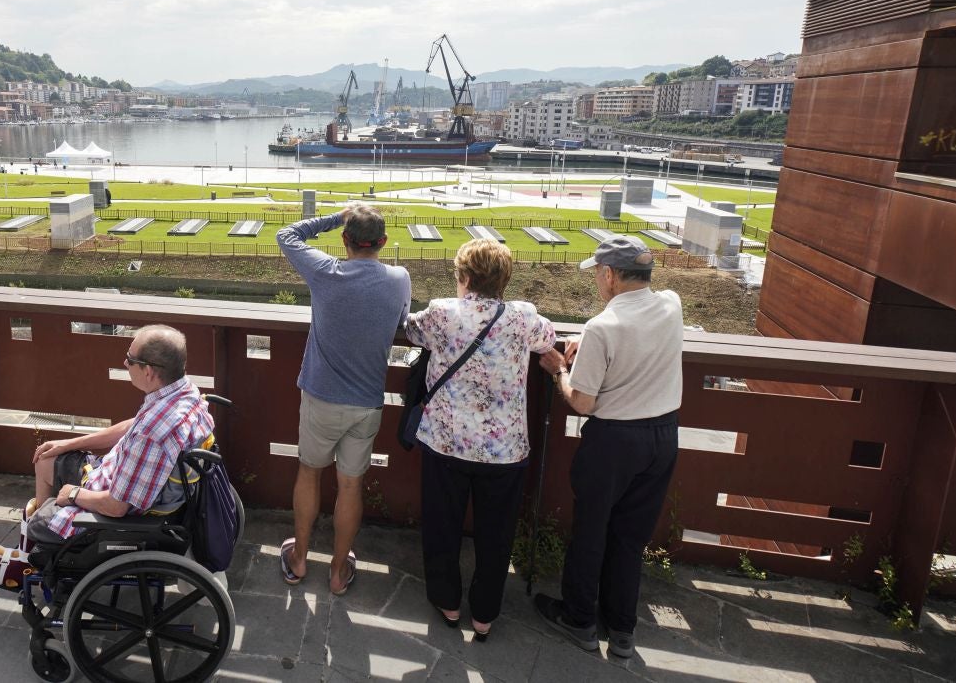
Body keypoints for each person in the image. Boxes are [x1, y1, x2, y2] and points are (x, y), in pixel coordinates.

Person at [533, 236, 683, 660]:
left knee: (592, 532)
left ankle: (579, 619)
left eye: (599, 274)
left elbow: (583, 401)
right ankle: (621, 630)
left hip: (614, 440)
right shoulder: (671, 304)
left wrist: (561, 370)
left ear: (610, 275)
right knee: (630, 539)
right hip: (662, 437)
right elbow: (636, 333)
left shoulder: (603, 328)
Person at [404, 240, 556, 641]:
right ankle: (485, 614)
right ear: (503, 280)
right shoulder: (523, 317)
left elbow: (409, 329)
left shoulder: (441, 313)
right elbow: (548, 339)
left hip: (446, 442)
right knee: (496, 534)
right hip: (504, 449)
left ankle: (448, 602)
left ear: (466, 278)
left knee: (442, 526)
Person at [276, 204, 411, 595]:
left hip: (320, 396)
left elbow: (287, 235)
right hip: (367, 401)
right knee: (350, 486)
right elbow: (401, 320)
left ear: (344, 240)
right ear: (383, 243)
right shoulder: (398, 278)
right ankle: (337, 572)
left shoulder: (326, 272)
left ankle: (299, 559)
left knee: (309, 472)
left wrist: (338, 215)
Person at [30, 325, 214, 537]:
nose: (125, 363)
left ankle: (43, 549)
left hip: (115, 512)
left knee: (38, 522)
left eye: (131, 359)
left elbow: (116, 507)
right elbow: (131, 425)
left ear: (148, 371)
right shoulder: (183, 393)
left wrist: (73, 494)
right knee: (46, 460)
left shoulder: (153, 433)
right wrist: (70, 443)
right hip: (114, 474)